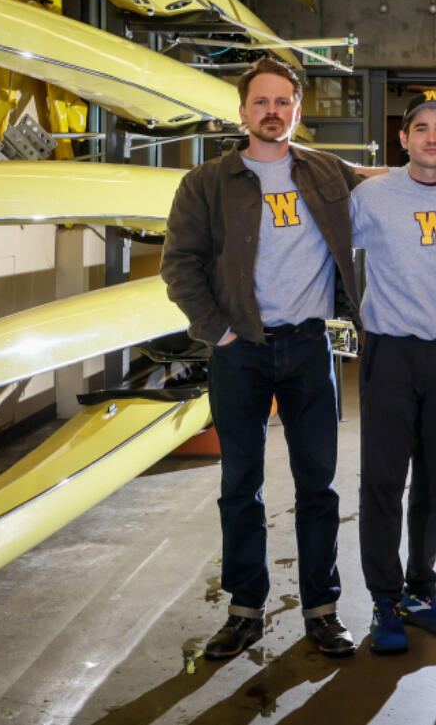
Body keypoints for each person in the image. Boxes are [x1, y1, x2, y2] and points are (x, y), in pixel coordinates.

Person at [160, 57, 358, 659]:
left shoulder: (325, 172)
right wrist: (217, 332)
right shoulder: (206, 182)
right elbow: (180, 264)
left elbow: (386, 178)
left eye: (283, 103)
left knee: (318, 484)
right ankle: (245, 609)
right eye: (261, 102)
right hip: (239, 350)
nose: (273, 112)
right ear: (243, 112)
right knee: (239, 484)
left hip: (308, 347)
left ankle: (321, 608)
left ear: (297, 111)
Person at [351, 91, 436, 653]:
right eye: (420, 128)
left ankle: (420, 587)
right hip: (390, 351)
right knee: (383, 480)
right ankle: (384, 597)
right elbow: (330, 248)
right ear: (403, 139)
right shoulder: (373, 197)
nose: (431, 137)